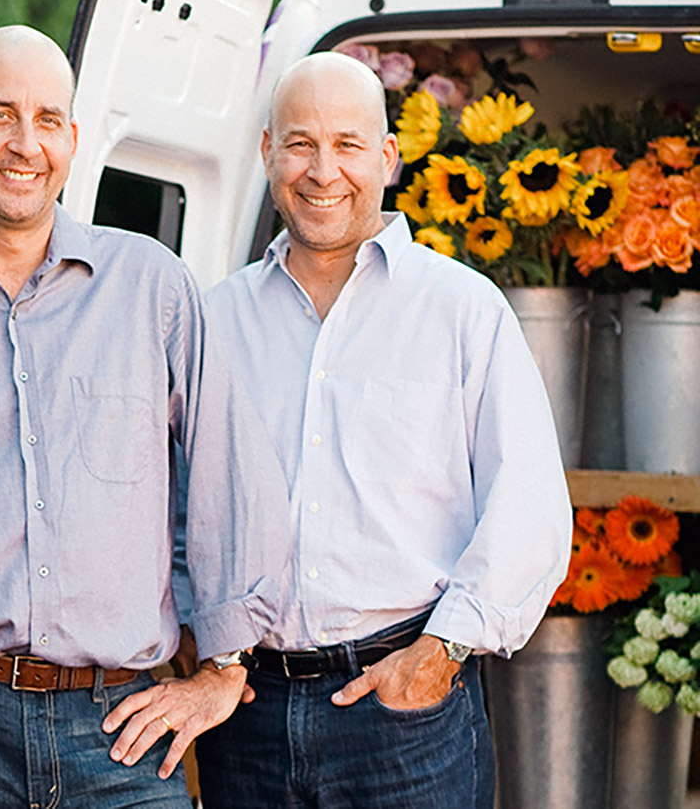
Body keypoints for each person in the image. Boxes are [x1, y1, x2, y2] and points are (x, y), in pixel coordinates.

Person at [0, 25, 291, 809]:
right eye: (0, 115)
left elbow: (229, 473)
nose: (25, 144)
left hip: (124, 730)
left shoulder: (151, 287)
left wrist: (224, 670)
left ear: (73, 140)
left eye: (48, 121)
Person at [192, 52, 573, 807]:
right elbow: (178, 505)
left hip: (406, 714)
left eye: (348, 144)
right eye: (299, 142)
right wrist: (202, 655)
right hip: (246, 713)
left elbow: (529, 503)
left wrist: (441, 651)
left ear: (389, 157)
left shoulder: (462, 309)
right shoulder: (216, 319)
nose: (322, 169)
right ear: (267, 151)